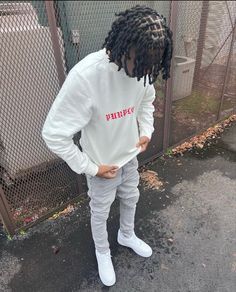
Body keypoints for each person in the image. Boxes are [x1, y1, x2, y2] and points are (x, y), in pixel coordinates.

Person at [42, 5, 172, 286]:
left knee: (131, 197)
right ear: (123, 48)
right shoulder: (86, 77)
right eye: (141, 63)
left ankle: (126, 234)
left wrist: (146, 130)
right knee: (100, 211)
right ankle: (103, 252)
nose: (145, 71)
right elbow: (53, 134)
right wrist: (90, 167)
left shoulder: (142, 69)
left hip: (130, 156)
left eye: (151, 65)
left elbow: (147, 100)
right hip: (102, 164)